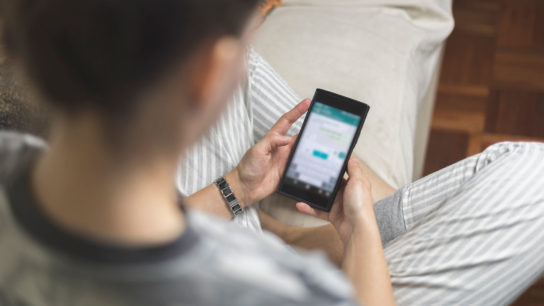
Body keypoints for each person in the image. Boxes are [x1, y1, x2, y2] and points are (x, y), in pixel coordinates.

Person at [0, 1, 542, 306]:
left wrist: (238, 187)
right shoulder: (276, 291)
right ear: (208, 73)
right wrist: (359, 230)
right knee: (533, 178)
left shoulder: (11, 158)